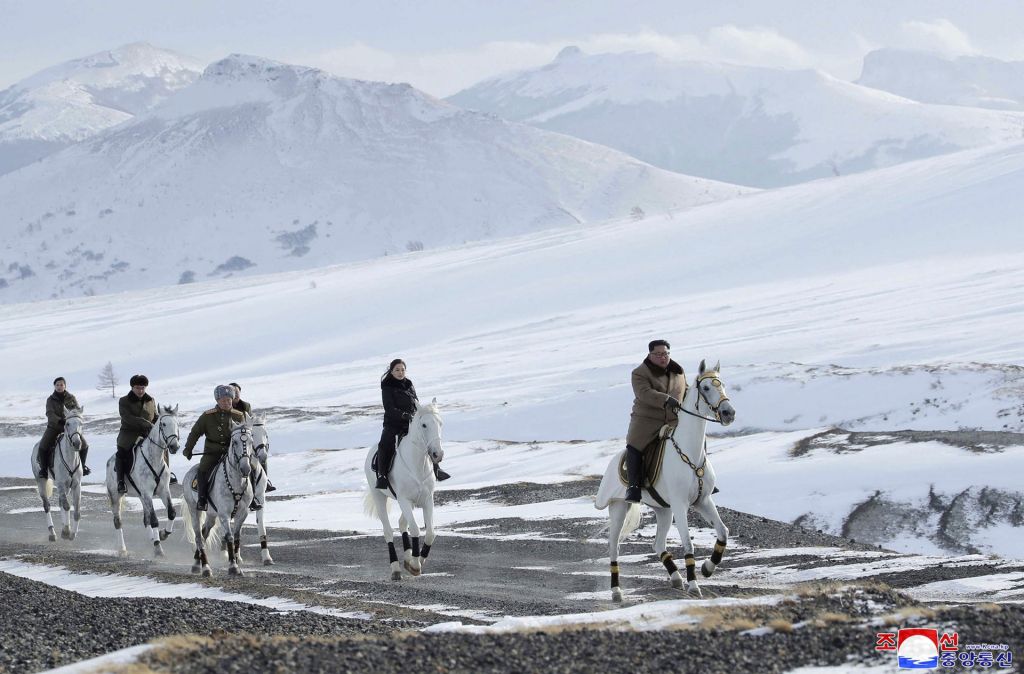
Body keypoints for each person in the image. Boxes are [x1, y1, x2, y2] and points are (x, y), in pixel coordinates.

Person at [623, 340, 686, 503]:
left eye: (665, 354)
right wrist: (666, 399)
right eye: (658, 354)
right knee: (634, 445)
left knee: (695, 438)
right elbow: (644, 393)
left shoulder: (678, 372)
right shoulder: (639, 373)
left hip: (673, 420)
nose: (662, 357)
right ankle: (633, 487)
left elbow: (686, 391)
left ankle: (702, 476)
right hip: (647, 420)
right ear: (650, 355)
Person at [375, 358, 450, 490]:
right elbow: (389, 408)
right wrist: (404, 415)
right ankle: (382, 477)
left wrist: (418, 414)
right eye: (397, 370)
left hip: (411, 423)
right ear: (391, 371)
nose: (400, 372)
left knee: (426, 440)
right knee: (384, 444)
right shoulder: (387, 386)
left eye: (402, 370)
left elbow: (415, 403)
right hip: (393, 424)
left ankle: (436, 469)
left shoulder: (409, 384)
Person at [183, 385, 245, 511]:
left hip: (233, 453)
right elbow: (195, 433)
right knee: (203, 469)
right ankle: (202, 499)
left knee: (250, 467)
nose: (227, 403)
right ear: (217, 400)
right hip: (212, 453)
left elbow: (245, 435)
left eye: (229, 400)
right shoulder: (207, 416)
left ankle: (253, 499)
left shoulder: (239, 416)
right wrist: (188, 449)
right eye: (223, 400)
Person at [37, 377, 91, 477]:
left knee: (85, 445)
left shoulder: (71, 398)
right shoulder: (50, 399)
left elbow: (76, 411)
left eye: (61, 385)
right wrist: (60, 420)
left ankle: (83, 467)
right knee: (43, 445)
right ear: (54, 386)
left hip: (70, 428)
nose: (59, 387)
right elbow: (50, 413)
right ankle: (43, 470)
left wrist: (73, 419)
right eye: (57, 385)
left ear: (65, 386)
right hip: (55, 427)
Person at [230, 381, 275, 499]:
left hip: (245, 438)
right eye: (234, 392)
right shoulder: (224, 405)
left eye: (238, 392)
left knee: (260, 455)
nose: (236, 394)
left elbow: (249, 422)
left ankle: (265, 481)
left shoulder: (246, 406)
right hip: (232, 439)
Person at [116, 374, 158, 494]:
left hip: (148, 433)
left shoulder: (151, 400)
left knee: (162, 447)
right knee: (122, 452)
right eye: (137, 388)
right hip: (130, 433)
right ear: (132, 387)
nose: (140, 391)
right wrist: (146, 423)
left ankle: (166, 475)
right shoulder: (124, 401)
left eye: (142, 388)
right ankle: (121, 481)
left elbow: (155, 416)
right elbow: (127, 417)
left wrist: (157, 425)